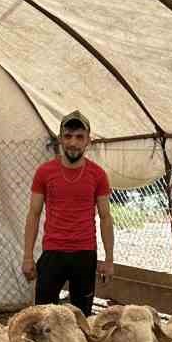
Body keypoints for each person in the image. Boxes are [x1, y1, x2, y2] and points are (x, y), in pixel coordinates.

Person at [20, 110, 113, 315]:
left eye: (79, 137)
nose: (73, 142)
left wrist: (108, 259)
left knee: (82, 315)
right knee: (42, 316)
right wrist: (28, 257)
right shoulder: (45, 172)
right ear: (61, 138)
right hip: (53, 252)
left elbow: (105, 217)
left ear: (88, 140)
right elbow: (33, 214)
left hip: (85, 254)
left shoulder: (98, 175)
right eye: (68, 136)